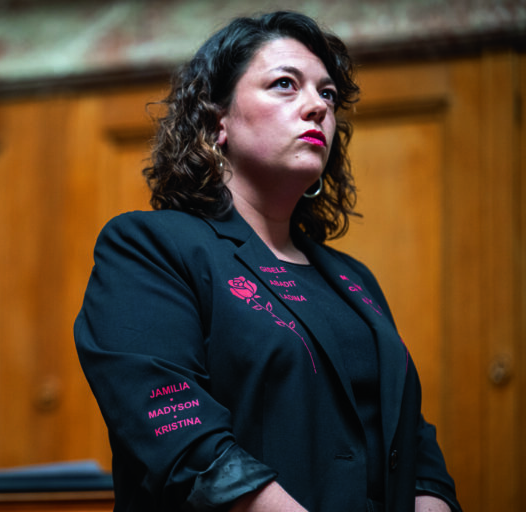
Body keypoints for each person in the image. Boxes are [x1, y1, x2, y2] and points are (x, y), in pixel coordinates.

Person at [74, 11, 461, 512]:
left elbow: (412, 441)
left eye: (327, 94)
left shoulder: (354, 278)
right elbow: (186, 444)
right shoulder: (150, 246)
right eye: (285, 84)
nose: (317, 107)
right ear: (218, 122)